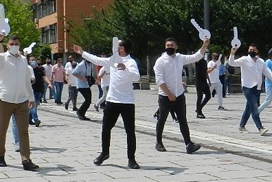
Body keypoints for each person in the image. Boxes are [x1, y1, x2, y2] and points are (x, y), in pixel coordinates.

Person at [74, 40, 141, 169]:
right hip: (112, 101)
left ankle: (131, 159)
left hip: (127, 102)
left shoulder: (130, 62)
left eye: (118, 46)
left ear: (123, 48)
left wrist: (125, 69)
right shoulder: (112, 60)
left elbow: (136, 78)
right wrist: (82, 52)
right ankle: (104, 153)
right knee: (106, 128)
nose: (116, 48)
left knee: (130, 131)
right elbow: (97, 60)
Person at [0, 34, 39, 171]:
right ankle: (1, 155)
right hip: (5, 100)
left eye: (16, 44)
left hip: (21, 100)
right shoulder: (2, 58)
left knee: (24, 131)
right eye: (11, 44)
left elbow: (26, 79)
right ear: (8, 45)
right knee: (2, 129)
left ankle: (26, 159)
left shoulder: (23, 60)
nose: (14, 46)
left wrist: (31, 97)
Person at [154, 37, 209, 153]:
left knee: (183, 120)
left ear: (176, 46)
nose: (170, 47)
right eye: (168, 45)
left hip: (179, 94)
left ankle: (189, 144)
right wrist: (169, 94)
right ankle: (159, 142)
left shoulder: (180, 58)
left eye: (172, 45)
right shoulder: (160, 61)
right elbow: (159, 80)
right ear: (165, 46)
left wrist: (204, 45)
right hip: (165, 96)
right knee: (162, 119)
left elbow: (196, 56)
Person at [229, 44, 272, 135]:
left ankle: (241, 125)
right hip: (247, 87)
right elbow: (232, 63)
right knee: (254, 107)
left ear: (257, 51)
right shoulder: (244, 60)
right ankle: (260, 127)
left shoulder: (260, 61)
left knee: (249, 108)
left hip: (257, 87)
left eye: (253, 50)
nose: (251, 51)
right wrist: (232, 53)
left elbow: (266, 71)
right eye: (250, 49)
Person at [28, 56, 51, 127]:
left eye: (34, 60)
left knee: (35, 105)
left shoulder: (39, 69)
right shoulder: (27, 69)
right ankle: (36, 119)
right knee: (33, 105)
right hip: (30, 90)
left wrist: (49, 83)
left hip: (38, 90)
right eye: (32, 60)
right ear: (29, 61)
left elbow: (44, 77)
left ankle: (29, 119)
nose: (33, 61)